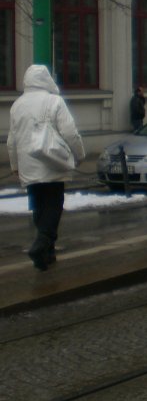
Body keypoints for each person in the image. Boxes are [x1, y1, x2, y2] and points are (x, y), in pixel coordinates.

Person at [6, 65, 86, 270]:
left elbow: (11, 141)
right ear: (46, 80)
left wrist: (15, 166)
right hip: (53, 163)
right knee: (53, 204)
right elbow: (70, 132)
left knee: (39, 207)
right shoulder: (54, 101)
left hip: (29, 166)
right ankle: (42, 243)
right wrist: (79, 154)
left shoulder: (17, 105)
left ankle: (47, 253)